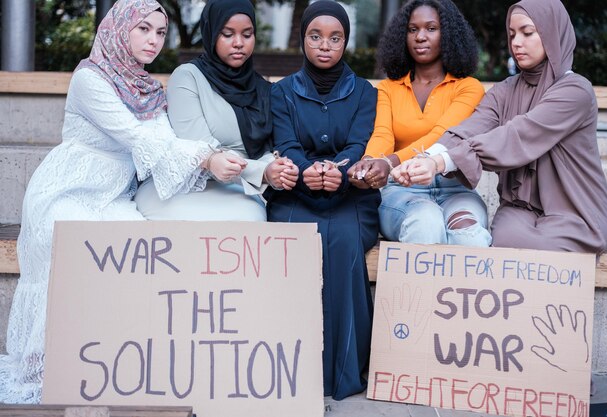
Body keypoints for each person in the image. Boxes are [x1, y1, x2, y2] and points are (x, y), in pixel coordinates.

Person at [0, 0, 217, 403]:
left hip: (113, 195)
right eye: (143, 29)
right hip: (67, 189)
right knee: (68, 240)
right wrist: (206, 157)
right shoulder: (90, 78)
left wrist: (217, 159)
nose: (153, 40)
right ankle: (40, 363)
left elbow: (166, 142)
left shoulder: (148, 88)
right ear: (119, 29)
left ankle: (112, 360)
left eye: (159, 32)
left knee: (136, 242)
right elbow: (134, 135)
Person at [395, 0, 607, 253]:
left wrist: (443, 162)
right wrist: (427, 158)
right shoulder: (506, 90)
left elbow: (519, 134)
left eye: (527, 32)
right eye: (512, 34)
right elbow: (471, 127)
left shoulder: (575, 91)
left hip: (575, 212)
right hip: (521, 209)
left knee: (537, 248)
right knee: (503, 242)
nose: (516, 43)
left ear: (552, 33)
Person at [266, 1, 380, 400]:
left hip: (350, 194)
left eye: (335, 38)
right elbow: (286, 143)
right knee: (295, 242)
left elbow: (359, 142)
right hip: (296, 193)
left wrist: (341, 171)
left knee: (345, 242)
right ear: (303, 40)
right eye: (316, 37)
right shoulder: (281, 92)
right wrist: (305, 171)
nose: (325, 46)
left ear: (346, 41)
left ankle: (346, 371)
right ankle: (290, 367)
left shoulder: (366, 92)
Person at [135, 0, 298, 221]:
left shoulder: (262, 89)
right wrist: (262, 172)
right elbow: (198, 146)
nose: (239, 43)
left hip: (240, 189)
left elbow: (267, 148)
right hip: (183, 187)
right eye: (227, 34)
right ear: (211, 34)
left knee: (251, 217)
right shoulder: (187, 77)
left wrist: (277, 168)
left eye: (247, 35)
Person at [347, 0, 491, 247]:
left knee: (468, 235)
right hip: (403, 189)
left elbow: (443, 136)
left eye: (431, 28)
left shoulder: (468, 88)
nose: (420, 37)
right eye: (413, 30)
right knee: (426, 222)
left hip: (454, 189)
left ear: (448, 34)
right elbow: (383, 134)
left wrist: (389, 161)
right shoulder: (389, 88)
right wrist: (369, 163)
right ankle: (416, 289)